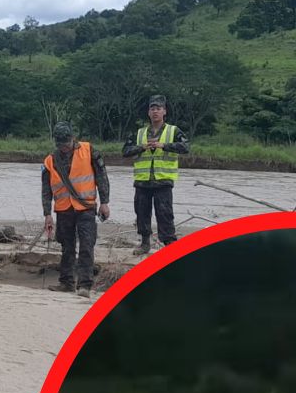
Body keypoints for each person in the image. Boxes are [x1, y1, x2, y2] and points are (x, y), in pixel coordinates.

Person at [42, 121, 111, 297]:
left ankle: (84, 285)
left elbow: (102, 176)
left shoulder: (89, 150)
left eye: (66, 143)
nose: (64, 147)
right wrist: (47, 214)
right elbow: (46, 189)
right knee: (67, 246)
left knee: (87, 245)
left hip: (86, 207)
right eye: (60, 144)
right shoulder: (50, 160)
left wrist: (104, 202)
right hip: (63, 209)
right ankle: (66, 283)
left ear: (73, 138)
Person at [122, 95, 189, 256]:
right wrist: (141, 147)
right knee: (142, 213)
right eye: (152, 109)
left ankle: (170, 245)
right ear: (148, 112)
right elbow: (125, 151)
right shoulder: (140, 133)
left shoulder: (173, 130)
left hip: (163, 181)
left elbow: (185, 147)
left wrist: (163, 145)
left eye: (158, 109)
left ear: (164, 111)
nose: (155, 112)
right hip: (142, 182)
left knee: (165, 214)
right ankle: (145, 243)